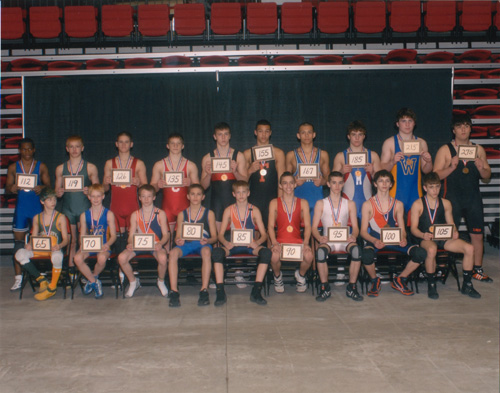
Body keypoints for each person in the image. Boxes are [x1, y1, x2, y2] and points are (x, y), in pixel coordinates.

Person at [433, 114, 492, 283]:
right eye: (459, 126)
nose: (463, 129)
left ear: (471, 128)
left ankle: (477, 269)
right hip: (451, 199)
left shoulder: (478, 149)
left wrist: (481, 168)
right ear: (454, 130)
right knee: (447, 234)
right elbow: (435, 175)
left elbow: (487, 176)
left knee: (478, 235)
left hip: (473, 198)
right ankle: (442, 268)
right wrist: (451, 166)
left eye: (466, 126)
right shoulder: (446, 150)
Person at [410, 172, 481, 299]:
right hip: (426, 238)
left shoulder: (446, 203)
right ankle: (431, 285)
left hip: (443, 237)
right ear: (425, 188)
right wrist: (423, 234)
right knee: (431, 250)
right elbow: (413, 228)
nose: (435, 190)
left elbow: (451, 223)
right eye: (431, 187)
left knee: (469, 248)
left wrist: (455, 232)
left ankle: (467, 284)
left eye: (437, 186)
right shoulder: (418, 204)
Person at [360, 170, 427, 297]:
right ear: (375, 184)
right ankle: (375, 280)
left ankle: (400, 279)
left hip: (394, 240)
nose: (384, 184)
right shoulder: (367, 205)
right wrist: (374, 241)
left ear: (391, 184)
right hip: (376, 240)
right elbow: (363, 231)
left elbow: (402, 229)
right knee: (366, 255)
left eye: (387, 181)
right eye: (380, 181)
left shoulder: (398, 204)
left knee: (420, 253)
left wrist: (403, 239)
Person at [212, 181, 272, 306]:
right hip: (234, 246)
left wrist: (258, 242)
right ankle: (220, 291)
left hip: (250, 246)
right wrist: (226, 243)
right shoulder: (229, 210)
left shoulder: (254, 210)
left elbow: (264, 234)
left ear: (248, 193)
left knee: (266, 253)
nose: (241, 195)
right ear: (233, 194)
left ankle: (256, 291)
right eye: (238, 192)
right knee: (217, 253)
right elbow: (220, 234)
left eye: (244, 192)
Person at [311, 171, 363, 302]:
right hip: (328, 240)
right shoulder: (321, 203)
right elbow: (313, 228)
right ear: (328, 184)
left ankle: (352, 287)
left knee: (356, 250)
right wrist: (319, 238)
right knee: (321, 253)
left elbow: (356, 228)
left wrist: (354, 236)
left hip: (345, 240)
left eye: (340, 183)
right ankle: (324, 287)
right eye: (334, 183)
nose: (337, 186)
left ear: (343, 184)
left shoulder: (349, 203)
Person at [7, 138, 50, 291]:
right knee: (18, 244)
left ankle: (41, 273)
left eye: (29, 149)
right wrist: (12, 188)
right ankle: (18, 278)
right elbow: (7, 188)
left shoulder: (41, 166)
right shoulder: (13, 167)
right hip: (21, 210)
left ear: (34, 150)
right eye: (23, 149)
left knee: (40, 242)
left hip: (37, 210)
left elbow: (49, 186)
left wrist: (41, 187)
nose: (26, 152)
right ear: (19, 151)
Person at [168, 184, 217, 307]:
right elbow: (178, 236)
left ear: (203, 197)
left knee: (206, 252)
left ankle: (204, 290)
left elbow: (215, 237)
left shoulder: (209, 213)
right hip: (187, 244)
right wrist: (179, 240)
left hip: (202, 244)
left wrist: (208, 241)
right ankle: (174, 291)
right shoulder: (182, 214)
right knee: (173, 253)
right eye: (193, 194)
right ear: (188, 196)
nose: (195, 197)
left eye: (198, 194)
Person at [14, 188, 69, 300]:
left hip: (54, 248)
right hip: (40, 247)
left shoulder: (60, 217)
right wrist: (29, 244)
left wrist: (59, 246)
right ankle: (42, 280)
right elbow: (33, 236)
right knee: (19, 254)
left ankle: (52, 288)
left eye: (54, 199)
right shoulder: (37, 218)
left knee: (58, 257)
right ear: (42, 201)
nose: (53, 202)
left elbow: (66, 239)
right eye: (49, 199)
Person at [55, 135, 99, 270]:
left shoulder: (91, 167)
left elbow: (98, 189)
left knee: (83, 241)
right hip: (68, 209)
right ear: (67, 149)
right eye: (71, 147)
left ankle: (84, 271)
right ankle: (71, 272)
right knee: (71, 241)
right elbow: (56, 191)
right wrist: (59, 192)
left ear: (82, 148)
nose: (74, 150)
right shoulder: (60, 169)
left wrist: (89, 190)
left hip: (83, 208)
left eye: (77, 146)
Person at [117, 185, 169, 298]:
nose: (146, 199)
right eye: (143, 196)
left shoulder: (160, 213)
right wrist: (130, 243)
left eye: (149, 196)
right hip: (138, 244)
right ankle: (133, 282)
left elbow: (166, 235)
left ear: (154, 197)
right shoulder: (135, 215)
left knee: (163, 258)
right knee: (121, 258)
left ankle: (160, 281)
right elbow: (131, 235)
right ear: (139, 198)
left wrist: (160, 244)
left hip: (155, 245)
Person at [268, 172, 314, 293]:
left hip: (297, 241)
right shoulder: (274, 202)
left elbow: (308, 226)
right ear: (280, 186)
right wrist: (274, 243)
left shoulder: (303, 202)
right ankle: (277, 277)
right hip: (280, 241)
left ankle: (301, 275)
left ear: (295, 185)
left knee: (309, 256)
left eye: (290, 183)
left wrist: (306, 243)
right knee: (274, 255)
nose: (288, 186)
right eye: (285, 183)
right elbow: (270, 226)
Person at [380, 108, 433, 213]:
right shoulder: (390, 143)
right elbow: (381, 170)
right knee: (396, 228)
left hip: (415, 193)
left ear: (414, 123)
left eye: (410, 121)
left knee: (415, 228)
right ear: (397, 124)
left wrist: (429, 161)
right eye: (403, 121)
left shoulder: (421, 143)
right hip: (395, 193)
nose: (407, 124)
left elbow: (426, 170)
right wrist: (392, 162)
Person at [200, 122, 247, 231]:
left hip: (235, 201)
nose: (223, 137)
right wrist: (209, 174)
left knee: (235, 238)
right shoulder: (208, 158)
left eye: (226, 134)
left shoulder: (238, 156)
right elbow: (203, 187)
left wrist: (235, 172)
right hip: (217, 203)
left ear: (230, 136)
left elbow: (245, 182)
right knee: (217, 238)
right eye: (220, 134)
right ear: (214, 136)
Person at [73, 184, 117, 299]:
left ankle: (93, 277)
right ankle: (94, 281)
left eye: (98, 196)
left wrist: (108, 244)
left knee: (102, 258)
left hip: (103, 245)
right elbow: (82, 234)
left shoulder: (109, 214)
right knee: (77, 258)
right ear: (88, 197)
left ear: (103, 196)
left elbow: (113, 235)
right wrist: (82, 244)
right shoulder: (84, 215)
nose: (96, 199)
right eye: (93, 196)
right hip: (89, 245)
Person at [150, 133, 199, 236]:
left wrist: (191, 184)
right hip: (168, 208)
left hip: (185, 207)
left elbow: (198, 189)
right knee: (167, 239)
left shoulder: (190, 165)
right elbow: (151, 189)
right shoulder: (159, 165)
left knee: (186, 238)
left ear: (183, 146)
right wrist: (157, 185)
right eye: (172, 143)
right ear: (167, 146)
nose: (175, 146)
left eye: (178, 143)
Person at [332, 120, 381, 219]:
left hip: (368, 201)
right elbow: (331, 181)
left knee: (368, 233)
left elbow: (382, 181)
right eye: (354, 134)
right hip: (347, 202)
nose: (357, 138)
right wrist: (341, 172)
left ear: (364, 136)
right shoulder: (341, 156)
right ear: (348, 136)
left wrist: (373, 172)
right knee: (348, 234)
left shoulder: (373, 155)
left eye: (360, 134)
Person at [103, 132, 147, 240]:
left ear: (131, 144)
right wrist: (105, 183)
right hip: (116, 208)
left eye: (126, 142)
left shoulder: (139, 163)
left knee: (132, 241)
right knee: (117, 242)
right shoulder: (109, 163)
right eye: (121, 142)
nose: (123, 145)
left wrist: (139, 183)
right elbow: (105, 189)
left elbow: (147, 188)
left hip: (132, 207)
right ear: (116, 144)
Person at [286, 122, 330, 221]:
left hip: (316, 199)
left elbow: (328, 178)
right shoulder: (291, 155)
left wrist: (321, 181)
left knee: (316, 232)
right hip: (298, 199)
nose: (306, 135)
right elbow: (285, 180)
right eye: (303, 133)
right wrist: (294, 183)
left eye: (309, 132)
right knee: (300, 232)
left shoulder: (323, 154)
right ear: (298, 135)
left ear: (314, 135)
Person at [243, 119, 285, 223]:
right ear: (255, 132)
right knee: (255, 231)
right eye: (260, 131)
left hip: (272, 198)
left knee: (271, 231)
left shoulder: (278, 153)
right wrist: (249, 171)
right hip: (254, 197)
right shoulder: (247, 154)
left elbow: (281, 181)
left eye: (266, 131)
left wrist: (279, 202)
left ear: (270, 133)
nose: (263, 135)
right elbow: (242, 182)